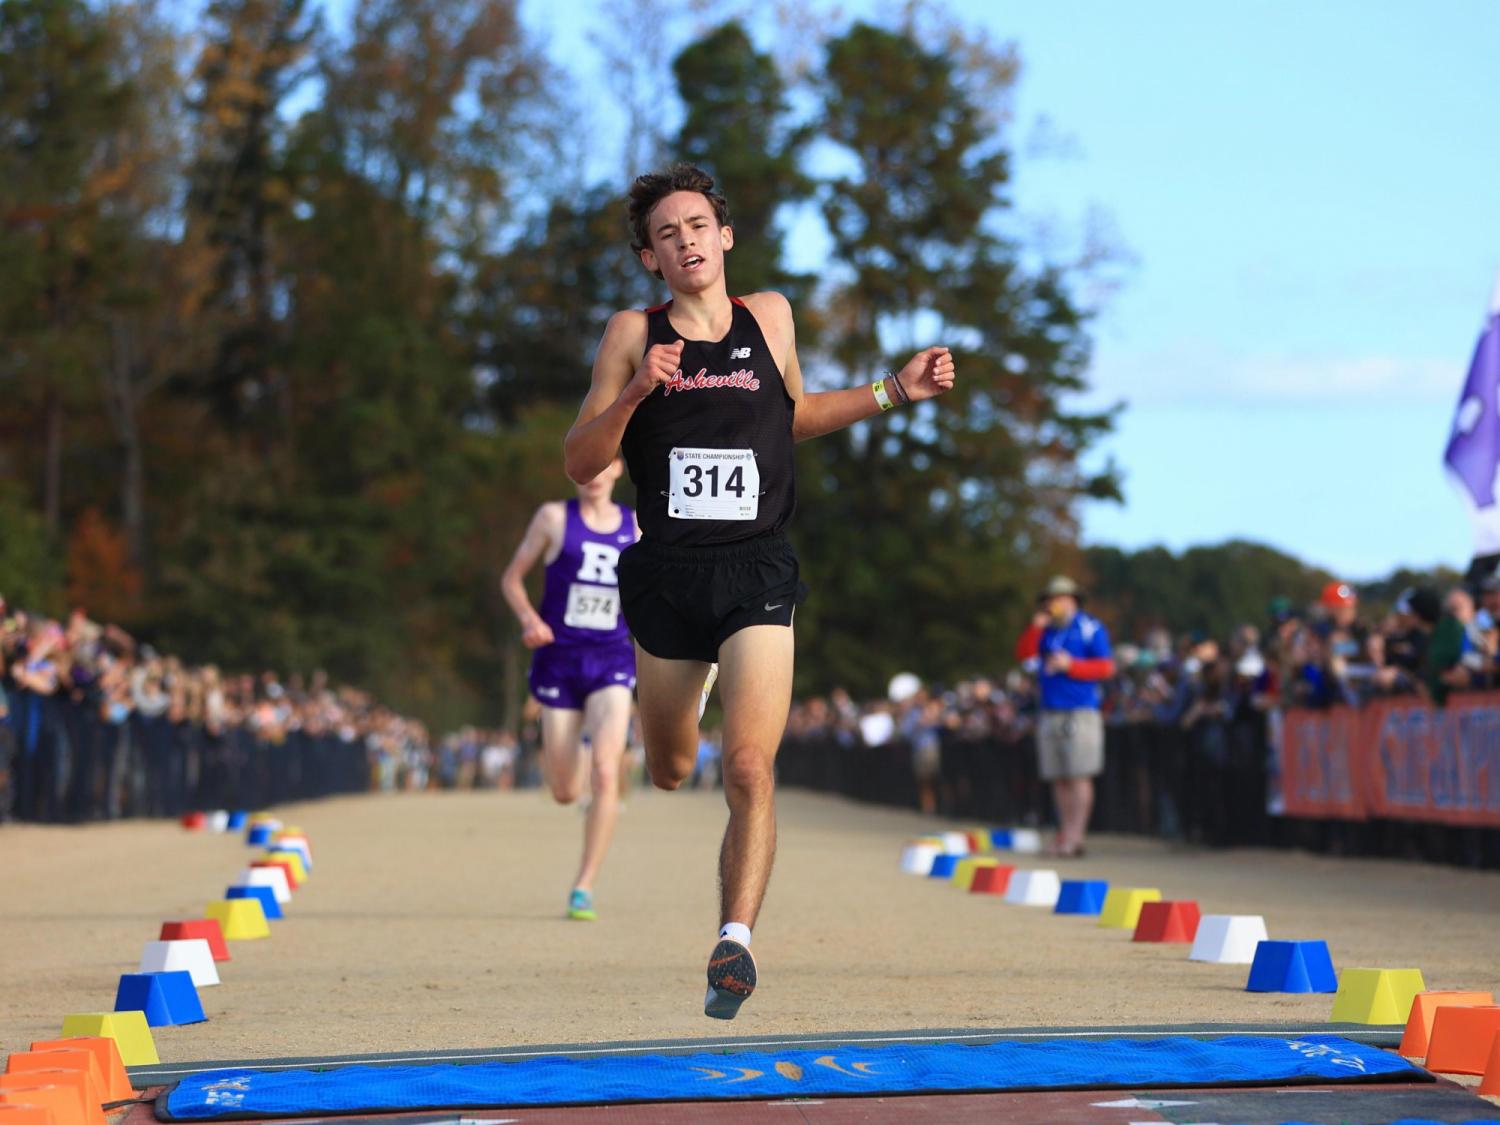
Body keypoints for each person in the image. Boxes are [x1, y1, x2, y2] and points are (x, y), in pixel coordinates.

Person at [562, 162, 956, 1019]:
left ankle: (734, 942)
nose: (686, 241)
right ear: (649, 259)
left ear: (725, 236)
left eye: (698, 224)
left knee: (747, 764)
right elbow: (580, 461)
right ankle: (689, 692)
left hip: (757, 567)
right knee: (669, 768)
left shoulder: (768, 316)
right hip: (666, 574)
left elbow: (796, 415)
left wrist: (896, 389)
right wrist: (635, 391)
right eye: (667, 233)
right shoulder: (632, 332)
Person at [501, 457, 639, 921]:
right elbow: (512, 578)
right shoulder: (554, 518)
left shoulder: (636, 527)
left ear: (619, 468)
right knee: (564, 790)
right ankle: (577, 760)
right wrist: (530, 620)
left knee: (605, 773)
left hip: (613, 660)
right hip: (559, 661)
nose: (596, 474)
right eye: (587, 466)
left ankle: (583, 885)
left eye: (606, 465)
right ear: (573, 471)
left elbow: (655, 587)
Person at [1015, 576, 1115, 857]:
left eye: (1058, 598)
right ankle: (1063, 835)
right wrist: (1035, 628)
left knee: (1078, 774)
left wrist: (1072, 665)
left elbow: (1106, 667)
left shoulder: (1089, 627)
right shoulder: (1047, 631)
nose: (1052, 604)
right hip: (1050, 710)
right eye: (1049, 599)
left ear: (1072, 600)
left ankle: (1076, 836)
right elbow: (1025, 657)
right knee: (1059, 777)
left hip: (1080, 710)